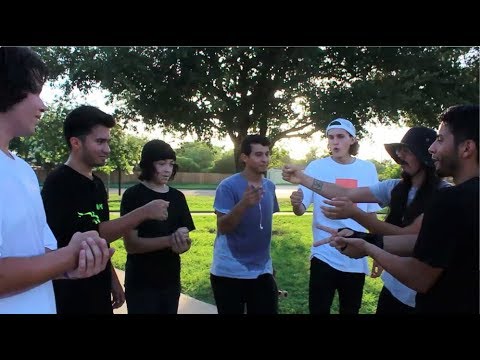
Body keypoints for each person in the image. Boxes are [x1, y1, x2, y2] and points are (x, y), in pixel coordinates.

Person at [316, 105, 479, 313]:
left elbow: (419, 276)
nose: (432, 149)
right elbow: (424, 242)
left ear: (467, 148)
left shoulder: (450, 199)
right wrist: (365, 239)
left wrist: (366, 245)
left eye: (440, 139)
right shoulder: (403, 189)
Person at [0, 46, 112, 314]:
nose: (43, 105)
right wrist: (68, 256)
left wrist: (75, 263)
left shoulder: (24, 170)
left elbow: (42, 257)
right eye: (35, 92)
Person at [295, 126, 450, 313]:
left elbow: (407, 237)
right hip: (393, 289)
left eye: (407, 151)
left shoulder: (444, 195)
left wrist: (356, 217)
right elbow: (345, 192)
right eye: (399, 150)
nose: (400, 156)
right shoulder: (394, 187)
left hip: (421, 298)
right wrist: (303, 179)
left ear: (425, 157)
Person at [41, 105, 170, 314]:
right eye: (100, 141)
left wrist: (112, 279)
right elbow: (87, 236)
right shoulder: (58, 183)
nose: (107, 149)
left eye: (108, 141)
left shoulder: (98, 184)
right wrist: (143, 213)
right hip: (69, 293)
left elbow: (102, 242)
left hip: (98, 291)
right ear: (76, 142)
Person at [289, 118, 381, 314]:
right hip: (324, 252)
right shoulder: (316, 167)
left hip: (356, 253)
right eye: (330, 137)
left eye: (340, 136)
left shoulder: (367, 169)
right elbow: (300, 209)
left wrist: (377, 253)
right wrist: (296, 203)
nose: (334, 142)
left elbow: (372, 215)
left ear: (353, 139)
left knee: (350, 309)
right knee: (318, 309)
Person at [120, 140, 195, 314]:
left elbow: (185, 242)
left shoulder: (178, 197)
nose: (167, 169)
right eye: (161, 164)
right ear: (147, 164)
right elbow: (131, 245)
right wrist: (170, 240)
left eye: (171, 164)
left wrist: (183, 243)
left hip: (170, 280)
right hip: (141, 282)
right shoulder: (133, 195)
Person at [210, 134, 280, 314]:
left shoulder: (270, 186)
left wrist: (269, 263)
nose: (264, 159)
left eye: (267, 154)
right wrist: (244, 204)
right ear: (244, 157)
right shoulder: (227, 187)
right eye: (258, 154)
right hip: (229, 272)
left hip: (262, 271)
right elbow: (223, 227)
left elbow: (261, 227)